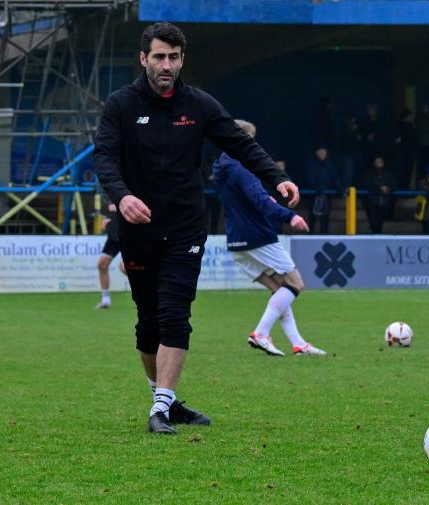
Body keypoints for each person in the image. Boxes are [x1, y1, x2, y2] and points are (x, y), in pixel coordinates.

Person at [94, 22, 300, 435]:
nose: (166, 65)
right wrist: (122, 195)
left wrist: (274, 177)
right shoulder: (120, 105)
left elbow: (241, 144)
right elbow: (104, 158)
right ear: (143, 59)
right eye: (158, 57)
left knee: (174, 315)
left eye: (173, 57)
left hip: (186, 228)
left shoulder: (199, 105)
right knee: (148, 321)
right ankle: (164, 400)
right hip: (137, 230)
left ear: (182, 59)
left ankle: (160, 409)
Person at [213, 119, 327, 357]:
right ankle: (260, 333)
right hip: (257, 236)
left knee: (280, 290)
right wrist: (289, 216)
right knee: (295, 284)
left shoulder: (222, 165)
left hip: (236, 240)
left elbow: (247, 198)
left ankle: (298, 344)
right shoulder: (241, 166)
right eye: (250, 140)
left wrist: (265, 199)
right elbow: (259, 200)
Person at [95, 200, 124, 309]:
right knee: (102, 265)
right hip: (113, 236)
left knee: (125, 268)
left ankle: (148, 294)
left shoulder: (125, 190)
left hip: (127, 234)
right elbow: (109, 212)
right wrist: (106, 220)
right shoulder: (106, 193)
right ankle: (105, 300)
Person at [306, 146, 340, 234]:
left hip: (326, 195)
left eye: (324, 152)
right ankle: (310, 236)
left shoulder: (330, 164)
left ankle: (324, 235)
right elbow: (309, 178)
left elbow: (334, 178)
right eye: (320, 152)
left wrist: (340, 189)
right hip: (314, 195)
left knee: (325, 218)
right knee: (312, 218)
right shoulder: (311, 164)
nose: (322, 154)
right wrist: (317, 188)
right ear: (316, 153)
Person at [363, 155, 396, 234]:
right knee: (374, 223)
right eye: (376, 162)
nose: (378, 164)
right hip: (373, 202)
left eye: (380, 162)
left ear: (383, 163)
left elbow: (394, 186)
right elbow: (366, 185)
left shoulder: (389, 174)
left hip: (385, 203)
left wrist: (388, 189)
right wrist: (379, 189)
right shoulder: (368, 174)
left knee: (381, 224)